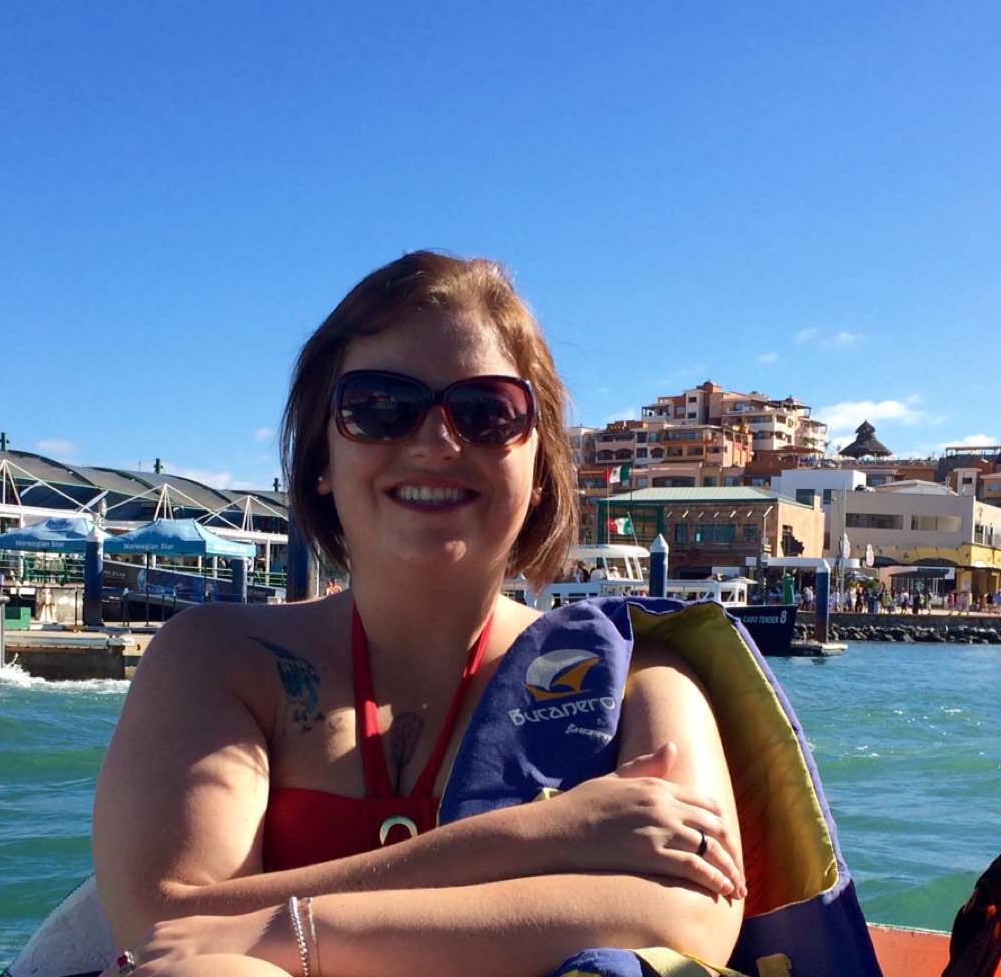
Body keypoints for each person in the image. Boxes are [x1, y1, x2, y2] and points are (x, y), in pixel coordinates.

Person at [92, 251, 745, 977]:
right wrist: (540, 837)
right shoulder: (217, 659)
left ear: (541, 469)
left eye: (487, 412)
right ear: (320, 457)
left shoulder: (636, 676)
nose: (436, 443)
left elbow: (694, 915)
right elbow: (165, 930)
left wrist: (291, 931)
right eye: (378, 407)